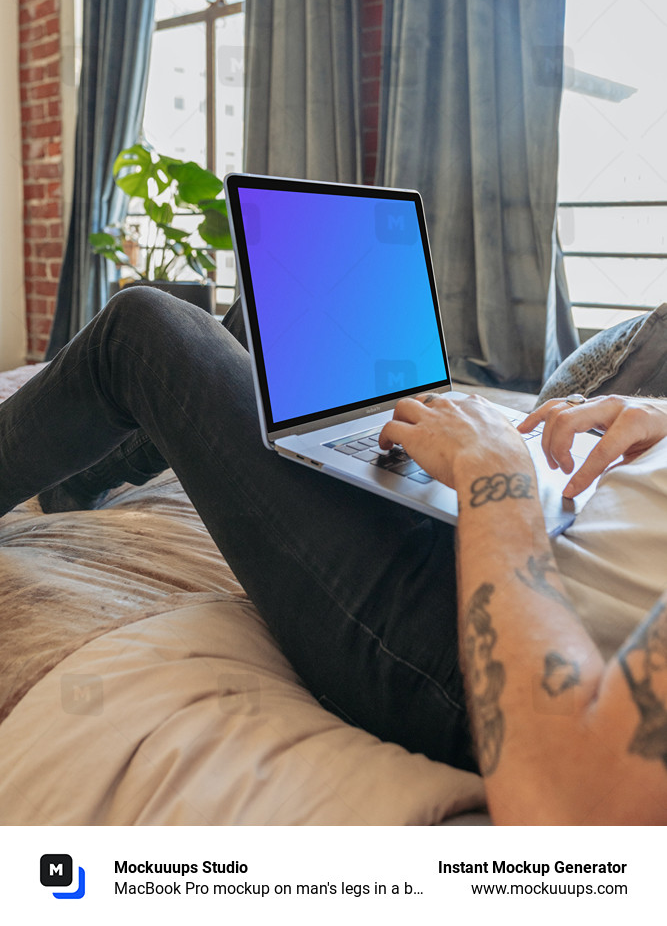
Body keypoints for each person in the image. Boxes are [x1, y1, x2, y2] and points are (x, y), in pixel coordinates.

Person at [1, 285, 666, 824]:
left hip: (487, 644)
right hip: (536, 522)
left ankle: (79, 461)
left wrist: (497, 473)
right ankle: (78, 471)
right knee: (266, 323)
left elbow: (574, 794)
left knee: (142, 331)